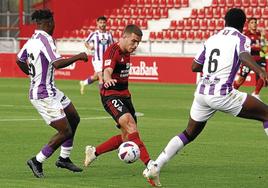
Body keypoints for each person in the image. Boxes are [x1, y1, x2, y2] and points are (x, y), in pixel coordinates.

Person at [143, 8, 268, 187]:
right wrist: (261, 70)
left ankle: (155, 166)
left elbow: (194, 66)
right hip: (222, 93)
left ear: (225, 21)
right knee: (266, 115)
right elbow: (243, 55)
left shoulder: (211, 39)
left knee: (189, 133)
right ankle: (155, 167)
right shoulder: (242, 39)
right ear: (243, 24)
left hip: (202, 93)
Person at [16, 9, 88, 178]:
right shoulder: (45, 39)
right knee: (65, 131)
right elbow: (57, 64)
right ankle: (37, 160)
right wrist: (78, 56)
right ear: (47, 23)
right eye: (53, 22)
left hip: (51, 90)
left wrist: (31, 75)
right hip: (43, 95)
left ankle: (64, 159)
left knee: (74, 118)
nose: (54, 25)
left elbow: (19, 59)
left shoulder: (32, 39)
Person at [84, 24, 154, 182]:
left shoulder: (127, 51)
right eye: (134, 41)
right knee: (131, 125)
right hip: (110, 95)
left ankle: (94, 152)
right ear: (124, 37)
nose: (135, 45)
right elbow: (107, 70)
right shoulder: (113, 50)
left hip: (125, 96)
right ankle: (150, 165)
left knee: (127, 138)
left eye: (138, 43)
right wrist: (107, 79)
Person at [233, 17, 266, 100]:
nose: (254, 24)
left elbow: (264, 47)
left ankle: (256, 94)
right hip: (249, 59)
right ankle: (232, 92)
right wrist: (257, 47)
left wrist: (263, 41)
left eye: (255, 22)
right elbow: (245, 47)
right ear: (248, 25)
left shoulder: (260, 34)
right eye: (252, 22)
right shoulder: (245, 35)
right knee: (241, 79)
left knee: (263, 74)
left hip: (259, 58)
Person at [79, 16, 114, 94]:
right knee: (101, 77)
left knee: (96, 77)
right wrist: (89, 47)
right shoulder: (94, 34)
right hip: (97, 59)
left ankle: (83, 83)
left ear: (106, 23)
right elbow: (86, 42)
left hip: (106, 60)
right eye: (100, 22)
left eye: (104, 22)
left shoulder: (109, 34)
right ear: (97, 23)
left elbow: (112, 46)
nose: (102, 24)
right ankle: (103, 96)